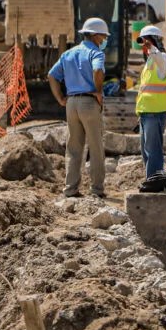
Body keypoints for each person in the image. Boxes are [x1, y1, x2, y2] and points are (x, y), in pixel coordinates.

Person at [48, 17, 110, 198]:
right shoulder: (96, 53)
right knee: (96, 146)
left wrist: (60, 98)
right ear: (95, 35)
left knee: (74, 148)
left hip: (71, 103)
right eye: (102, 37)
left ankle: (70, 189)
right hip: (89, 102)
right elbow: (98, 71)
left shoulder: (68, 54)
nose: (104, 40)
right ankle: (97, 189)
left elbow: (52, 76)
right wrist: (98, 92)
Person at [135, 24, 166, 178]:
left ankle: (154, 181)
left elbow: (160, 58)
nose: (143, 46)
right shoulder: (150, 62)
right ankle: (151, 180)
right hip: (146, 113)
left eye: (146, 42)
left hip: (156, 112)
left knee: (153, 151)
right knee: (146, 151)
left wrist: (152, 47)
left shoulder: (163, 58)